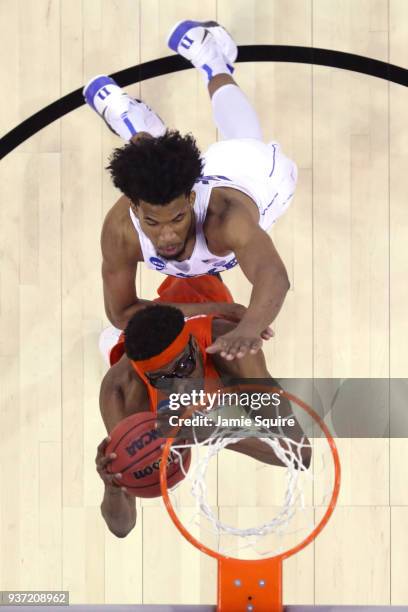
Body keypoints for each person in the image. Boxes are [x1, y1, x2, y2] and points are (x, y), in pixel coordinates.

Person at [84, 20, 297, 361]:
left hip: (251, 177)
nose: (167, 235)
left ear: (192, 198)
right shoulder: (120, 229)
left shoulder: (226, 220)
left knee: (244, 139)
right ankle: (133, 123)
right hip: (175, 185)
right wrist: (219, 309)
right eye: (153, 222)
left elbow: (274, 277)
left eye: (178, 218)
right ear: (135, 210)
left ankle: (214, 63)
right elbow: (121, 313)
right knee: (150, 169)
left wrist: (248, 329)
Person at [95, 275, 310, 538]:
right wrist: (113, 487)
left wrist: (212, 431)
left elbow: (301, 454)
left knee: (200, 265)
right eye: (163, 379)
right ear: (144, 376)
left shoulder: (229, 347)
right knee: (110, 342)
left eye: (184, 367)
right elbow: (122, 527)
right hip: (142, 337)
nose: (179, 384)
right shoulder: (118, 390)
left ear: (195, 346)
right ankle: (115, 337)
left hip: (202, 294)